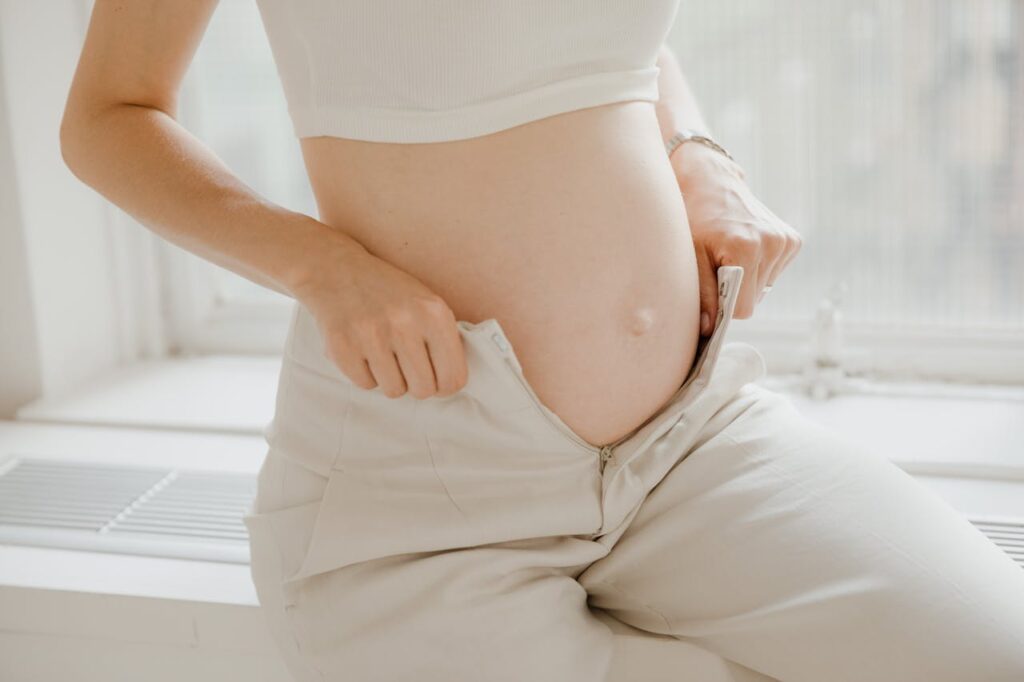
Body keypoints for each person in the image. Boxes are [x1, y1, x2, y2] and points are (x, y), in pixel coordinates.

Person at [59, 2, 1024, 681]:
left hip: (688, 440)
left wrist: (698, 156)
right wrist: (322, 266)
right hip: (423, 503)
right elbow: (109, 116)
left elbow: (609, 41)